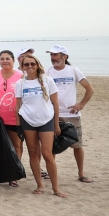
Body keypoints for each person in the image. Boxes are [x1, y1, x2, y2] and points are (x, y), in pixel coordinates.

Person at [15, 54, 66, 198]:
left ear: (37, 65)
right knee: (33, 153)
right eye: (26, 64)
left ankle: (56, 188)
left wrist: (56, 124)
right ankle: (39, 185)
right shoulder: (20, 83)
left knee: (47, 154)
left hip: (46, 120)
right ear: (22, 67)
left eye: (32, 63)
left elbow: (55, 103)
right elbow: (17, 105)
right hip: (27, 120)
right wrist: (18, 125)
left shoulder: (47, 80)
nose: (30, 66)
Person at [47, 45, 94, 184]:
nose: (53, 57)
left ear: (65, 56)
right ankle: (51, 172)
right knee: (52, 145)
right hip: (53, 114)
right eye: (51, 55)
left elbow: (90, 89)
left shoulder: (73, 70)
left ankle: (81, 174)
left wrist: (81, 104)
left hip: (72, 115)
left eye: (55, 55)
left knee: (77, 145)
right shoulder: (48, 72)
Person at [0, 49, 24, 174]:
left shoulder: (20, 75)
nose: (5, 61)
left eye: (7, 58)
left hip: (14, 118)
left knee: (16, 146)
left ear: (13, 60)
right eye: (2, 59)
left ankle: (15, 174)